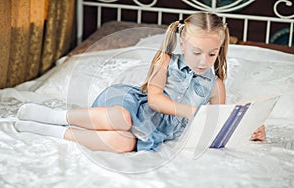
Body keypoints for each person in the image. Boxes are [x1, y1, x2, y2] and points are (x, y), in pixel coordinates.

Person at [15, 12, 266, 153]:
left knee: (125, 143)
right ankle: (57, 115)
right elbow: (155, 101)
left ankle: (53, 131)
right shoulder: (165, 62)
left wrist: (248, 128)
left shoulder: (215, 84)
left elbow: (213, 124)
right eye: (196, 52)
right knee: (123, 119)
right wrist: (192, 112)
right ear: (182, 44)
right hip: (133, 106)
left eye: (211, 54)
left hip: (154, 131)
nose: (204, 61)